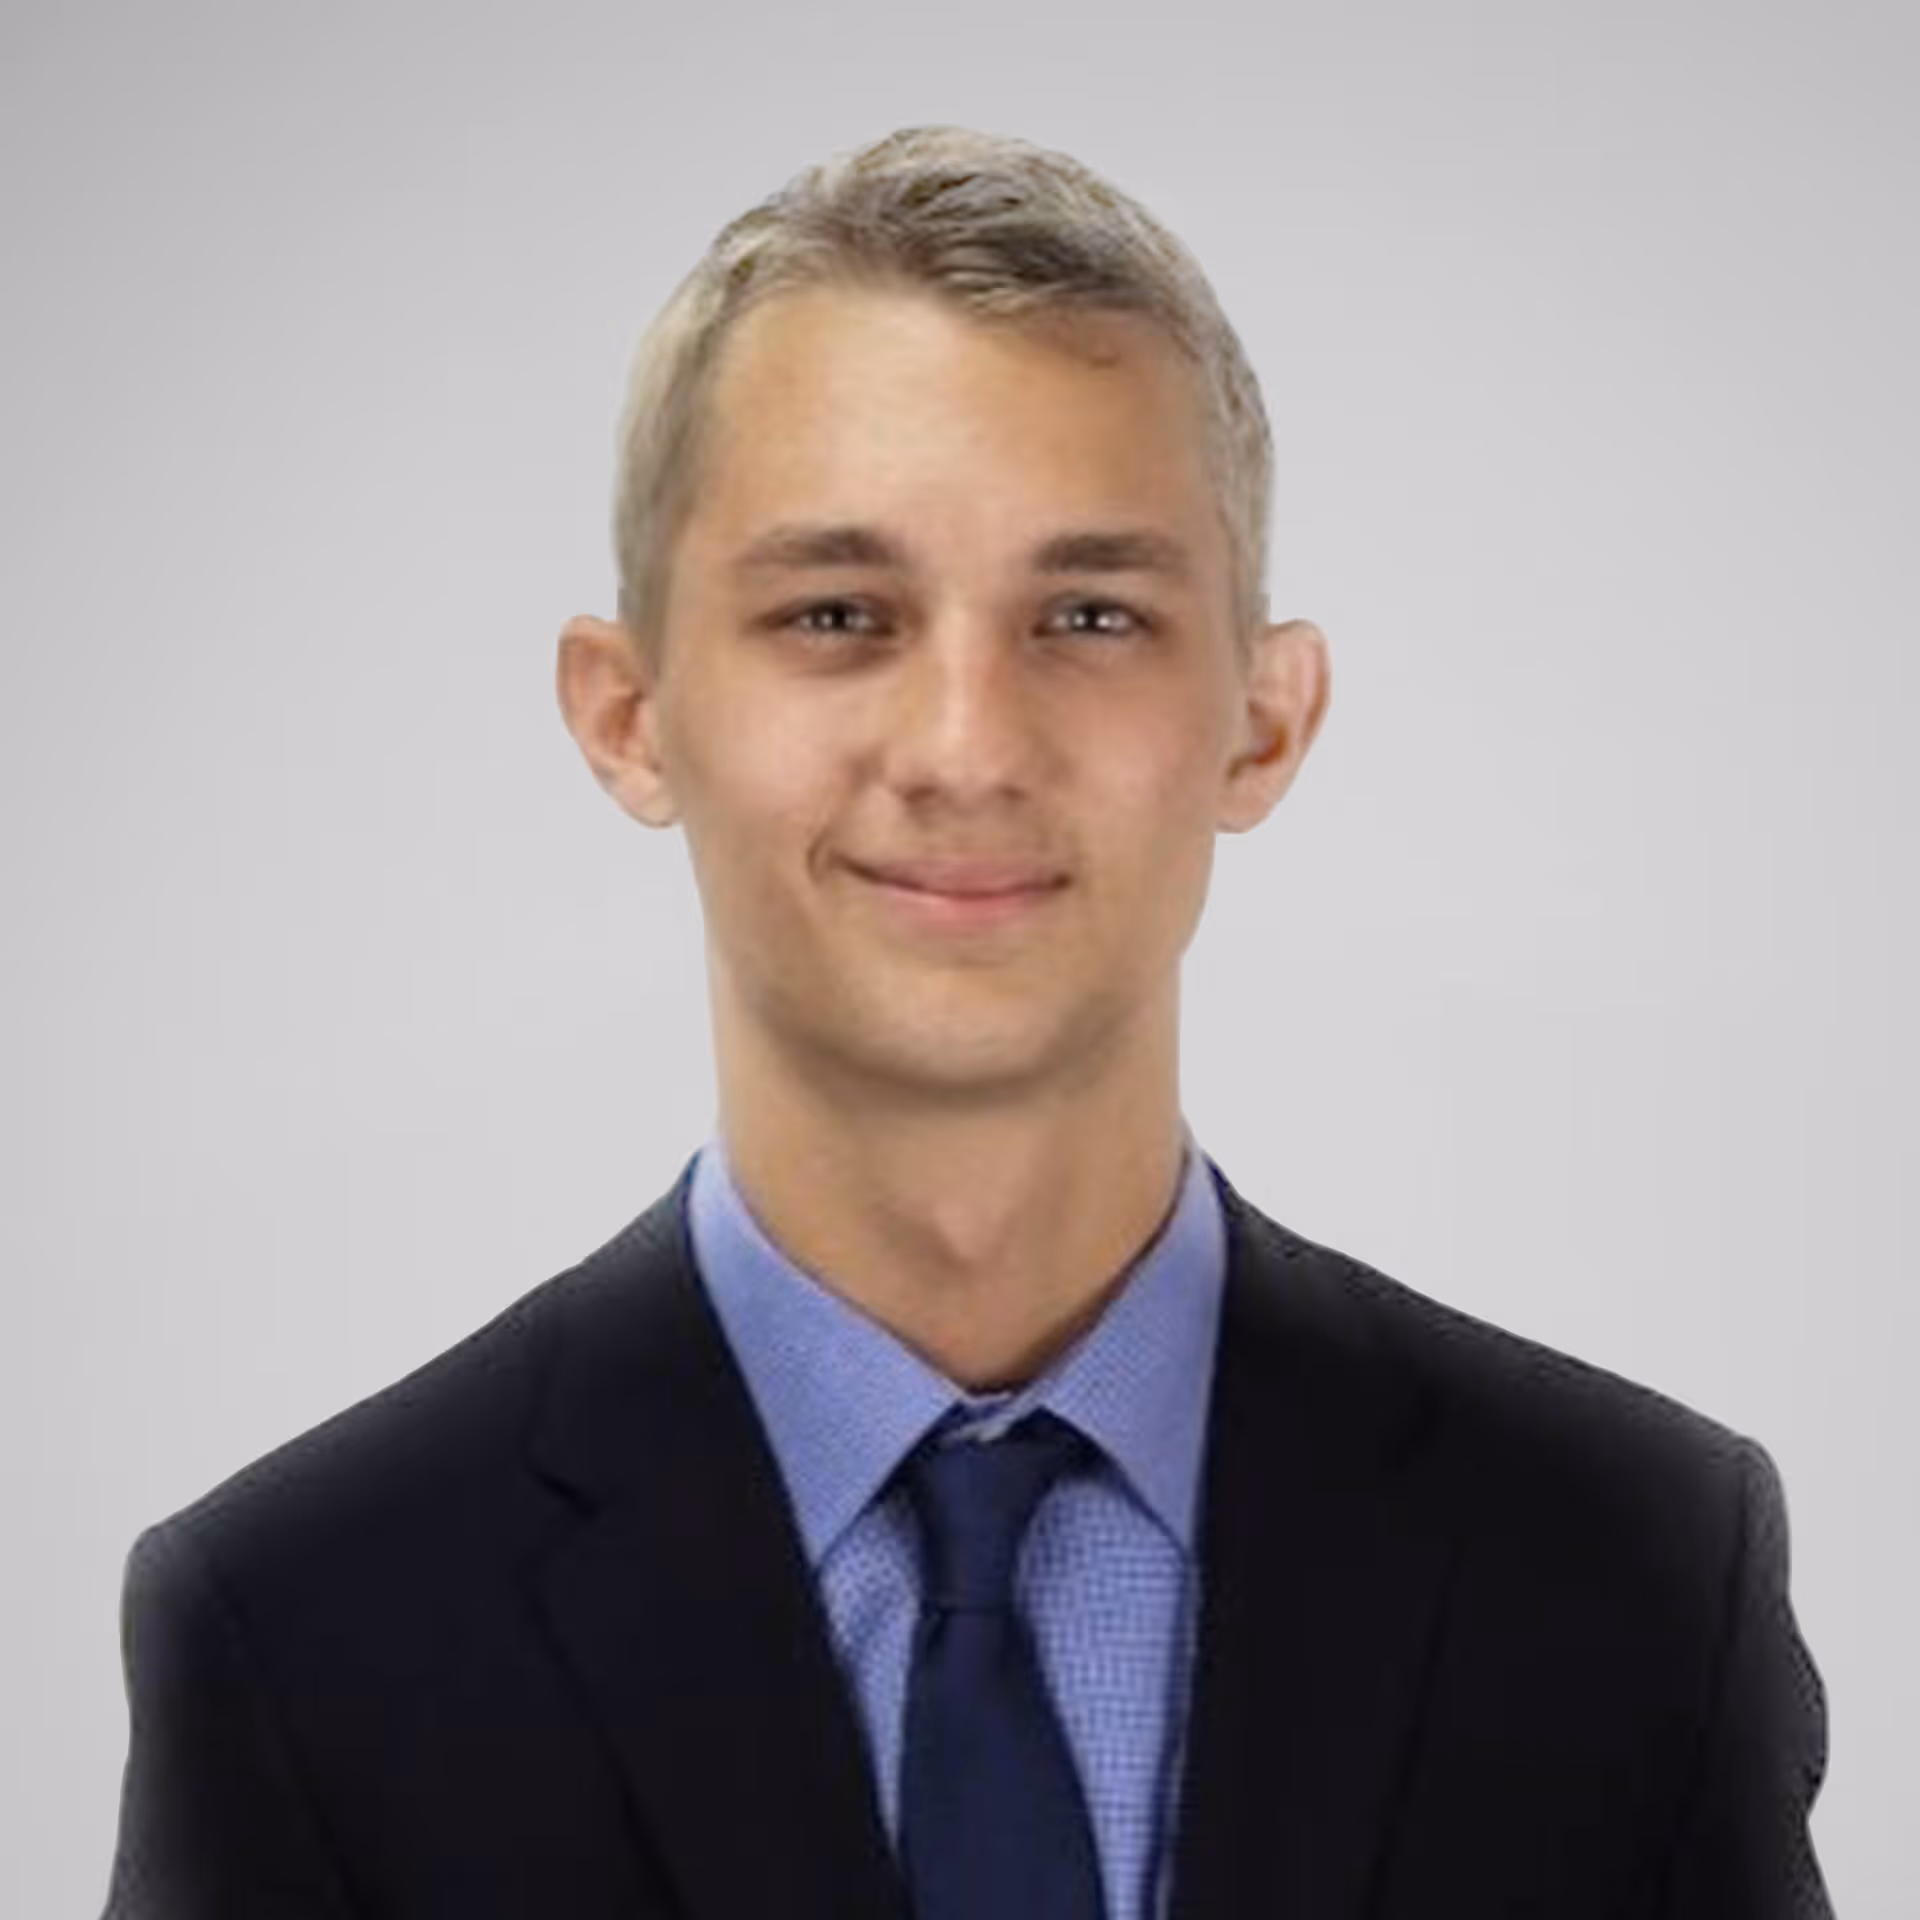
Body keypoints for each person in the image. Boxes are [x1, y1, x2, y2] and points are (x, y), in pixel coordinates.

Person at [99, 123, 1832, 1919]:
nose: (966, 748)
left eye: (1088, 614)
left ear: (1261, 720)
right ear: (628, 717)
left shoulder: (1630, 1570)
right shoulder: (305, 1633)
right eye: (838, 613)